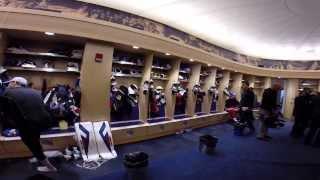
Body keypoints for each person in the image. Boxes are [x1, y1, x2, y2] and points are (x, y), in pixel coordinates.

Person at [2, 77, 57, 172]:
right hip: (45, 121)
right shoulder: (34, 91)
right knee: (35, 140)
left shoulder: (8, 92)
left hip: (29, 123)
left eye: (9, 83)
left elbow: (5, 111)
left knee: (32, 144)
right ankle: (40, 156)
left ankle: (50, 167)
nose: (8, 85)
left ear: (15, 82)